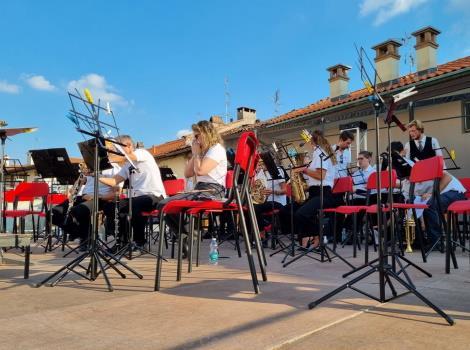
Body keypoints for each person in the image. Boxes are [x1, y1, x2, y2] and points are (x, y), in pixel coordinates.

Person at [156, 120, 227, 253]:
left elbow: (200, 171)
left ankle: (189, 236)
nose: (195, 139)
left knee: (169, 205)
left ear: (206, 134)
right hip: (200, 188)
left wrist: (196, 154)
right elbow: (188, 173)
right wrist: (195, 154)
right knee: (163, 205)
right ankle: (185, 235)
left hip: (213, 190)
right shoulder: (203, 152)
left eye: (197, 136)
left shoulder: (216, 149)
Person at [98, 135, 167, 249]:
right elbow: (114, 180)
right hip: (137, 198)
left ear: (129, 145)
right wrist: (96, 175)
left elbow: (126, 157)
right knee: (111, 206)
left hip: (155, 196)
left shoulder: (142, 153)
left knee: (134, 205)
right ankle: (122, 242)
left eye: (117, 149)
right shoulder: (127, 165)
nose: (115, 152)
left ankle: (140, 242)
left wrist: (107, 159)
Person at [294, 130, 338, 249]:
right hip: (316, 193)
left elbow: (321, 176)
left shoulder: (319, 153)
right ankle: (311, 239)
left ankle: (320, 235)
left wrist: (303, 170)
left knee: (301, 214)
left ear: (312, 140)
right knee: (295, 211)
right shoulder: (319, 154)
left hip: (323, 194)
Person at [66, 161, 122, 250]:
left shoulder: (114, 168)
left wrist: (97, 197)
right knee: (59, 212)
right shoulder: (91, 166)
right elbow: (76, 187)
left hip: (101, 198)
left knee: (80, 210)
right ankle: (86, 236)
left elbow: (116, 193)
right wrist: (79, 179)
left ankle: (87, 237)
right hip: (85, 197)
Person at [421, 172, 466, 249]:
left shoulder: (431, 165)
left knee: (431, 205)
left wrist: (432, 194)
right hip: (445, 194)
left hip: (455, 192)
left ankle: (436, 242)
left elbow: (447, 177)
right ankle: (431, 240)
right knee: (427, 206)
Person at [252, 159, 287, 244]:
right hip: (264, 202)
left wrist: (273, 191)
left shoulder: (277, 170)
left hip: (277, 202)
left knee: (255, 209)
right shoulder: (260, 173)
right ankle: (260, 231)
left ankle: (262, 234)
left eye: (262, 162)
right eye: (259, 163)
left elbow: (285, 190)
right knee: (249, 207)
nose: (260, 165)